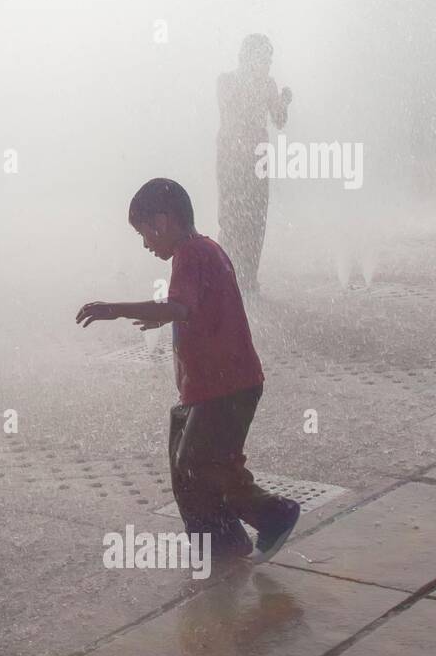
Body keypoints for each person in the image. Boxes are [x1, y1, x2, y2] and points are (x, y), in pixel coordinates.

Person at [77, 178, 301, 562]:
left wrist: (114, 308)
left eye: (144, 233)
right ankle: (220, 542)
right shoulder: (203, 251)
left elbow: (178, 307)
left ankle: (273, 514)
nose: (146, 244)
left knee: (199, 463)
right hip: (213, 388)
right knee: (189, 465)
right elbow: (193, 308)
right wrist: (164, 318)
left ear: (162, 221)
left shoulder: (192, 253)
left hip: (226, 387)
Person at [217, 33, 292, 297]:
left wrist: (283, 101)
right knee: (233, 218)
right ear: (249, 57)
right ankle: (228, 277)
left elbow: (279, 120)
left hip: (252, 157)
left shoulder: (265, 84)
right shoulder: (228, 81)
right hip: (234, 158)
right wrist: (270, 94)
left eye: (270, 59)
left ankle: (247, 279)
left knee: (254, 219)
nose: (269, 63)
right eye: (265, 58)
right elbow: (232, 112)